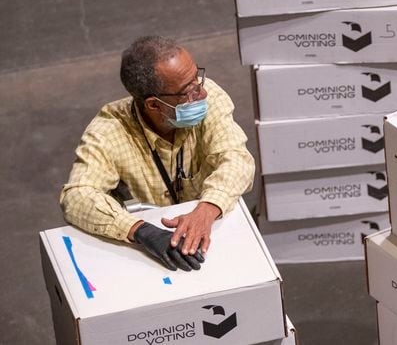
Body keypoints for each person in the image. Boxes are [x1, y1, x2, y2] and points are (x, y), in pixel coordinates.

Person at [60, 36, 255, 272]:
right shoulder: (108, 131)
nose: (201, 93)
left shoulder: (209, 95)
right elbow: (76, 196)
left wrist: (207, 209)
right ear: (153, 104)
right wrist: (140, 231)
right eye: (188, 91)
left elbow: (236, 159)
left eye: (197, 78)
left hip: (212, 229)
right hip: (155, 248)